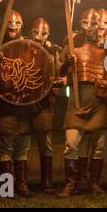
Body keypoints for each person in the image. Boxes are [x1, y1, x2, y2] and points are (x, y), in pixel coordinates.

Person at [58, 8, 107, 197]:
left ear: (100, 26)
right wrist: (67, 63)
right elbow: (60, 73)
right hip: (77, 100)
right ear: (81, 24)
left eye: (94, 24)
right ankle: (71, 184)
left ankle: (93, 183)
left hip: (99, 102)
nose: (90, 27)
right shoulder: (71, 47)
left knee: (98, 146)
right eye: (86, 23)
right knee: (71, 143)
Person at [0, 10, 33, 197]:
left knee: (22, 147)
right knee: (6, 147)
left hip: (24, 104)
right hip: (4, 103)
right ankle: (7, 188)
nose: (13, 25)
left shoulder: (28, 46)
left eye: (17, 23)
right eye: (9, 22)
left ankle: (21, 185)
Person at [27, 17, 64, 193]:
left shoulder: (53, 51)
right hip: (23, 102)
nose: (39, 36)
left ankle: (47, 181)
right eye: (35, 32)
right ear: (30, 32)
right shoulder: (22, 47)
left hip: (43, 102)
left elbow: (59, 75)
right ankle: (15, 184)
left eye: (43, 33)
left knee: (45, 143)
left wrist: (59, 81)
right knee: (19, 145)